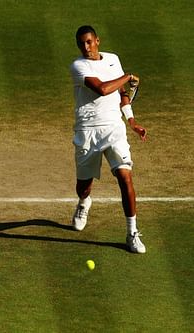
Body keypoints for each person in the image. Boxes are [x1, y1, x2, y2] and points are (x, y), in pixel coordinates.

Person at [69, 25, 147, 253]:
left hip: (114, 128)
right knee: (83, 186)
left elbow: (122, 94)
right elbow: (103, 89)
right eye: (81, 43)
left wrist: (131, 122)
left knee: (125, 178)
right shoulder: (78, 66)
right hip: (87, 131)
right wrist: (128, 77)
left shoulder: (113, 59)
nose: (85, 47)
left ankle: (132, 233)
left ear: (97, 41)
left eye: (89, 42)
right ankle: (84, 203)